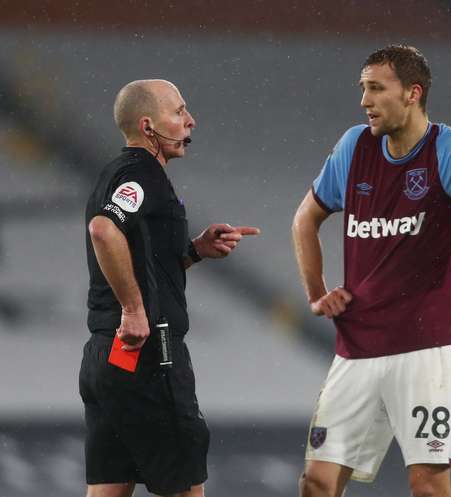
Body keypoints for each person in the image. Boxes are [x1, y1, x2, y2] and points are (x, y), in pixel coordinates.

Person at [291, 45, 451, 497]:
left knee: (428, 487)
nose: (364, 100)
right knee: (317, 482)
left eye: (376, 88)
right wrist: (317, 293)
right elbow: (305, 219)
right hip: (356, 348)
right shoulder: (354, 145)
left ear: (413, 93)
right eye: (363, 88)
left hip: (424, 350)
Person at [80, 79, 259, 497]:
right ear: (148, 126)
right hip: (150, 356)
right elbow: (104, 230)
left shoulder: (117, 174)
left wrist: (194, 251)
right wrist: (133, 308)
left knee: (109, 488)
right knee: (184, 486)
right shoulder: (142, 173)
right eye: (178, 112)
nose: (190, 121)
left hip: (108, 357)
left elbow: (139, 254)